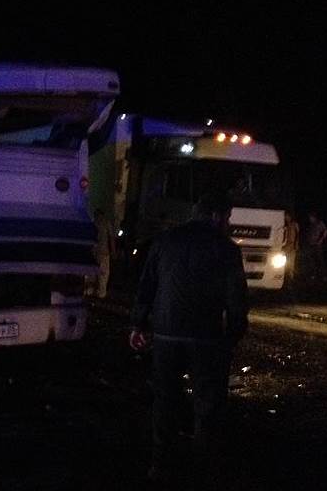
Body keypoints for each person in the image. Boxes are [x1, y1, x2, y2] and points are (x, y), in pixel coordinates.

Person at [128, 192, 248, 484]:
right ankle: (202, 469)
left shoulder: (165, 241)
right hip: (206, 337)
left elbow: (147, 285)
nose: (228, 223)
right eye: (228, 218)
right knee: (207, 405)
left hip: (166, 333)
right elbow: (236, 298)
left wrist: (138, 324)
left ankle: (160, 464)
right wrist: (233, 334)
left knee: (165, 400)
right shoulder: (227, 248)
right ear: (217, 216)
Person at [87, 208, 116, 299]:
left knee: (91, 273)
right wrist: (113, 251)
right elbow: (111, 238)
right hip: (104, 252)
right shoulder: (106, 223)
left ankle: (90, 291)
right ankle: (101, 293)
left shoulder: (92, 223)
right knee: (103, 274)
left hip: (93, 252)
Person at [302, 211, 327, 282]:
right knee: (312, 260)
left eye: (310, 217)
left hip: (317, 245)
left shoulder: (319, 223)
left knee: (320, 260)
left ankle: (324, 275)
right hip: (311, 244)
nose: (310, 219)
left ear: (314, 217)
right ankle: (314, 274)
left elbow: (325, 231)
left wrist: (321, 239)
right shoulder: (311, 225)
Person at [283, 211, 300, 283]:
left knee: (291, 260)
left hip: (292, 244)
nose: (286, 218)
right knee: (285, 260)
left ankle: (291, 276)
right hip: (285, 245)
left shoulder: (294, 224)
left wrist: (296, 243)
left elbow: (298, 234)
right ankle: (284, 275)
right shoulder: (285, 225)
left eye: (287, 216)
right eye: (285, 216)